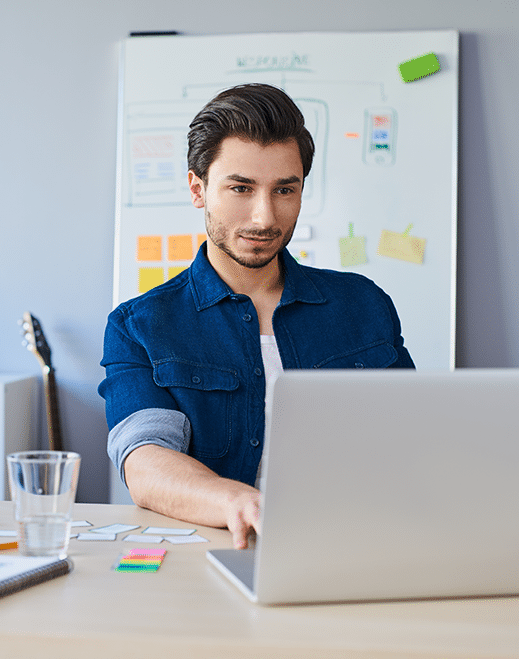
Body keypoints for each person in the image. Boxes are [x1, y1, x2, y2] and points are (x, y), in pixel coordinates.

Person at [99, 83, 414, 549]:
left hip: (357, 546)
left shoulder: (364, 305)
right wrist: (239, 503)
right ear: (197, 189)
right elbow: (148, 464)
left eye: (284, 189)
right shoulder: (140, 326)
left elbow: (412, 438)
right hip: (217, 556)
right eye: (241, 188)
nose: (265, 217)